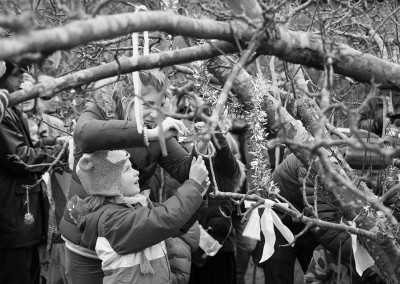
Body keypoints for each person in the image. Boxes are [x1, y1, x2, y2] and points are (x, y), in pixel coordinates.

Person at [59, 69, 236, 283]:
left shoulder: (154, 126)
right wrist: (148, 134)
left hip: (129, 244)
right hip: (86, 245)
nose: (155, 114)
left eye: (161, 106)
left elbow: (183, 169)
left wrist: (201, 146)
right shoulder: (99, 112)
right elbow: (83, 133)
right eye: (148, 105)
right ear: (126, 100)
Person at [69, 149, 209, 283]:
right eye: (127, 169)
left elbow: (176, 224)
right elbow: (163, 221)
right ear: (109, 183)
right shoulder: (111, 220)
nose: (136, 172)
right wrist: (193, 186)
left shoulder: (135, 206)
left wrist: (197, 196)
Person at [0, 63, 68, 284]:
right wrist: (59, 152)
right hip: (12, 216)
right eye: (17, 74)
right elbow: (19, 158)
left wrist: (54, 143)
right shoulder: (3, 112)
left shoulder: (10, 108)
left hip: (21, 215)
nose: (22, 80)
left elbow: (27, 146)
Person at [262, 153, 352, 284]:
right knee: (279, 275)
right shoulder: (312, 163)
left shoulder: (341, 162)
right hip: (281, 222)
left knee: (315, 273)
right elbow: (323, 222)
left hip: (308, 220)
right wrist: (353, 254)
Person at [188, 131, 246, 284]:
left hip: (220, 248)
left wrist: (211, 125)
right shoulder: (202, 170)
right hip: (197, 244)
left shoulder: (229, 170)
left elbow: (223, 151)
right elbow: (195, 158)